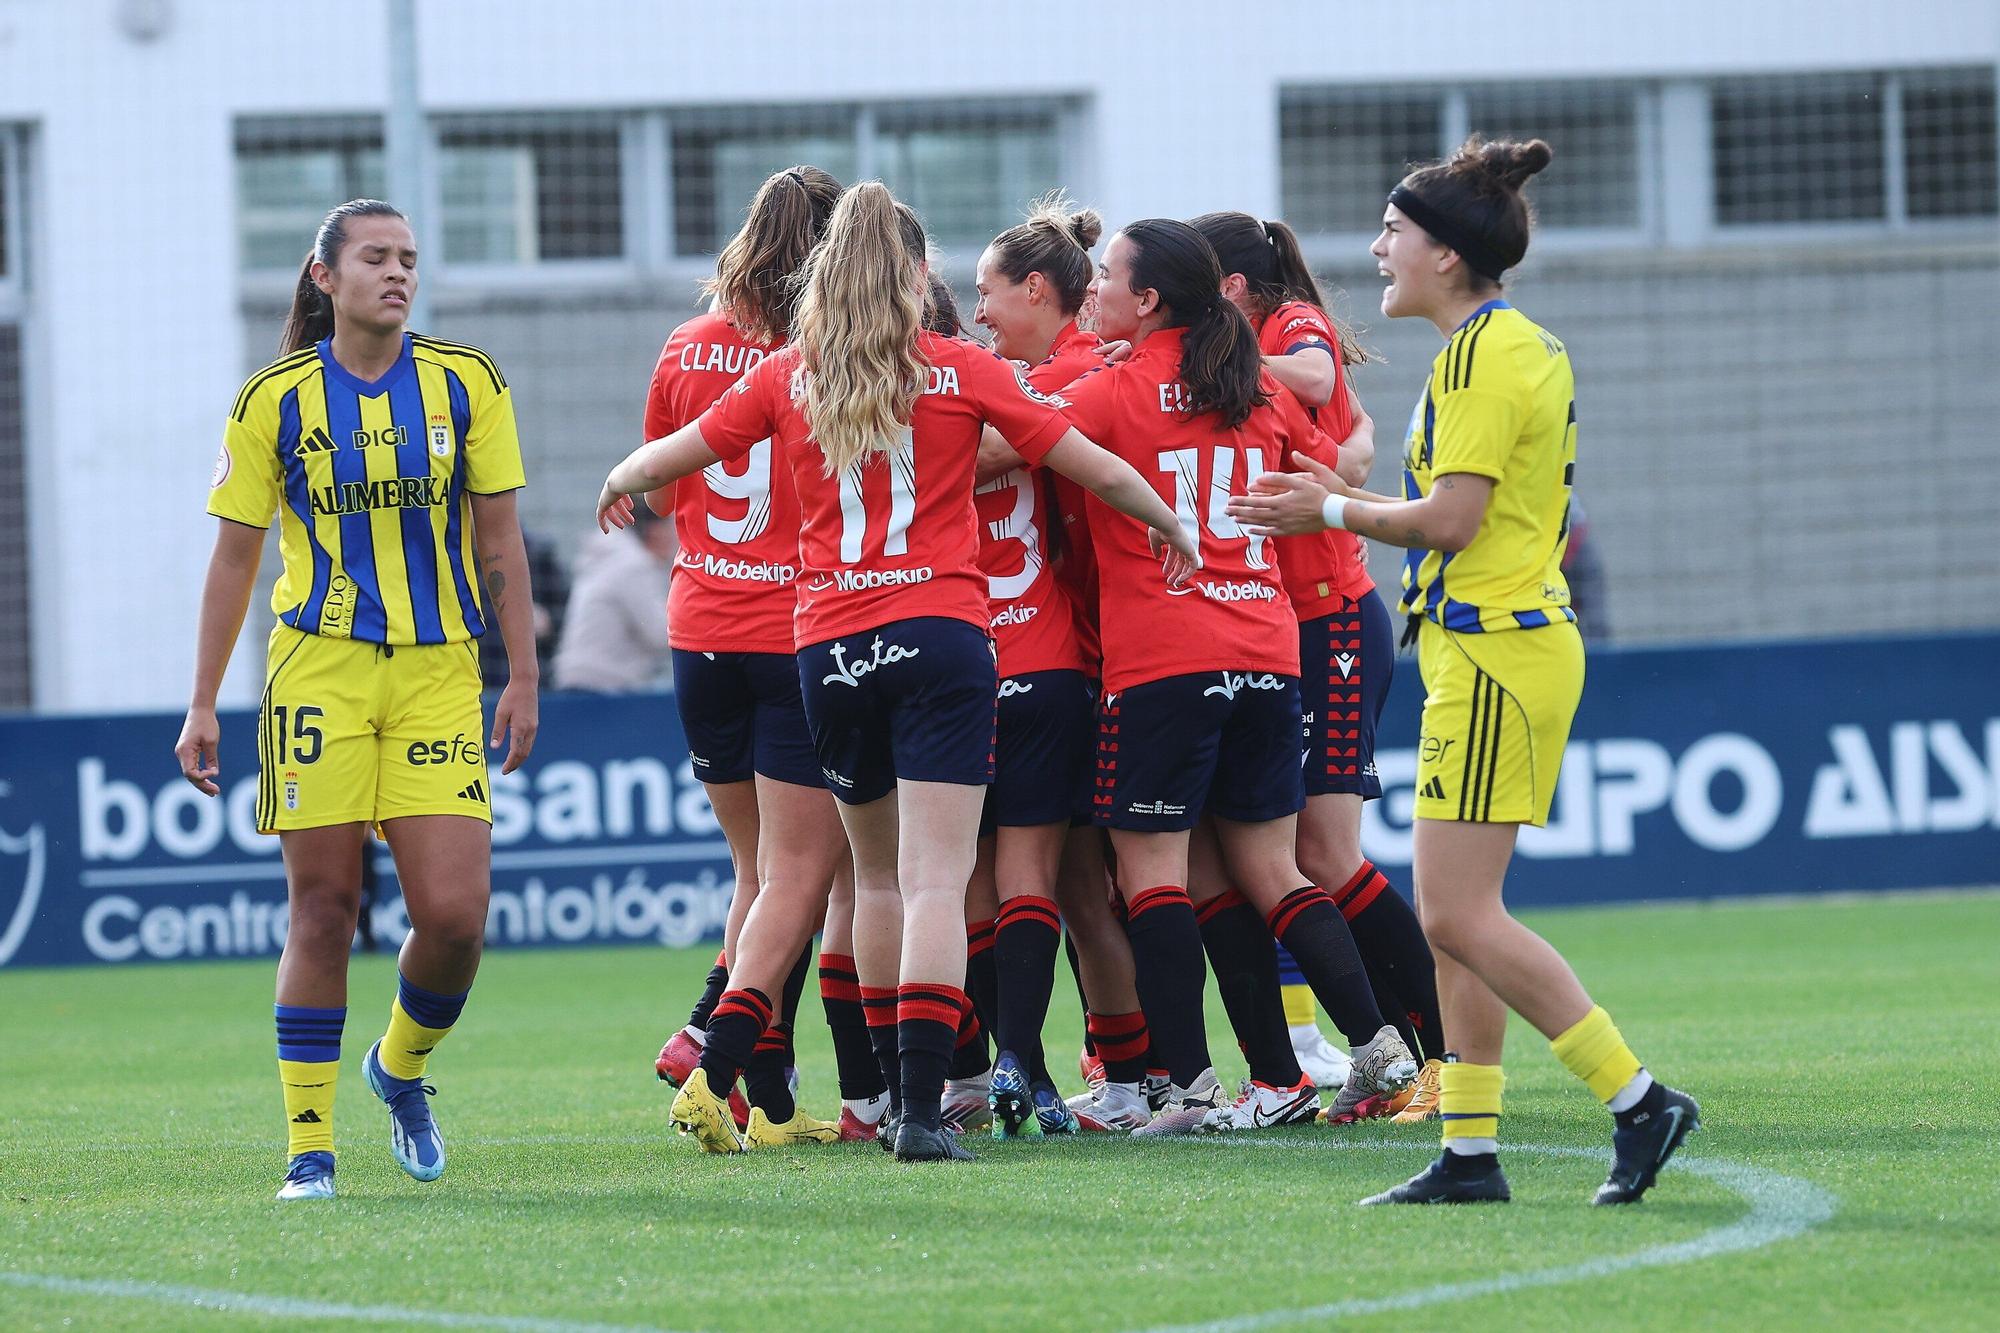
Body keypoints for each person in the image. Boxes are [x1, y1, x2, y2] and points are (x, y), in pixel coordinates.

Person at [595, 182, 1196, 1162]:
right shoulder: (958, 368)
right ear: (916, 277)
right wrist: (1168, 524)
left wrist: (620, 480)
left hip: (827, 649)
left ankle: (814, 1086)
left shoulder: (792, 375)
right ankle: (917, 1114)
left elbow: (679, 452)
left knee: (865, 882)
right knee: (931, 882)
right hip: (941, 640)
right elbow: (1086, 461)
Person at [1228, 137, 1700, 1206]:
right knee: (1454, 920)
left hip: (1495, 647)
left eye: (1392, 232)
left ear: (1444, 254)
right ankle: (1468, 1152)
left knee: (1455, 916)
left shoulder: (1488, 354)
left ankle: (1635, 1098)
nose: (1375, 249)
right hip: (1480, 647)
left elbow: (1450, 520)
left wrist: (1327, 508)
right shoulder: (1491, 345)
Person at [174, 199, 538, 1201]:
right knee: (323, 909)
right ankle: (309, 1149)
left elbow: (500, 542)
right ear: (323, 274)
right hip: (318, 668)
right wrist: (202, 702)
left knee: (456, 916)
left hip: (436, 670)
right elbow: (234, 559)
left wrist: (522, 679)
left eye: (409, 259)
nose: (397, 273)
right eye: (376, 257)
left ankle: (400, 1066)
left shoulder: (469, 383)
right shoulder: (272, 402)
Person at [1052, 218, 1419, 1135]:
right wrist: (1362, 442)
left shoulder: (1112, 391)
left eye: (1107, 276)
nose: (1094, 287)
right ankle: (1370, 1047)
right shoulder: (1248, 383)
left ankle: (1188, 1090)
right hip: (1263, 650)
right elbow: (1328, 468)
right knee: (1265, 867)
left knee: (1151, 878)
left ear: (1148, 300)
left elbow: (1004, 451)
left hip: (1163, 660)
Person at [1191, 210, 1450, 1124]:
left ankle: (1441, 1061)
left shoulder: (1284, 324)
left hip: (1332, 620)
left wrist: (1220, 359)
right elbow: (1352, 422)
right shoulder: (1225, 353)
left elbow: (1321, 372)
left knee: (1326, 854)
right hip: (1274, 632)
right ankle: (1346, 1057)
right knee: (1282, 856)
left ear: (1225, 288)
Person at [634, 164, 869, 1147]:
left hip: (699, 629)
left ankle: (766, 1102)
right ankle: (705, 1031)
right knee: (799, 880)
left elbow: (655, 493)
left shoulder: (685, 348)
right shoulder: (827, 356)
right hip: (792, 631)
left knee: (757, 872)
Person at [550, 505, 674, 692]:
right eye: (672, 527)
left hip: (580, 679)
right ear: (654, 531)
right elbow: (660, 634)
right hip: (603, 685)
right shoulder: (633, 565)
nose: (676, 538)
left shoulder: (614, 557)